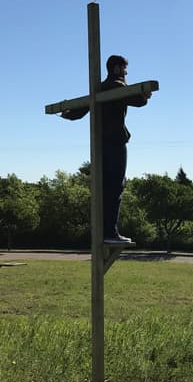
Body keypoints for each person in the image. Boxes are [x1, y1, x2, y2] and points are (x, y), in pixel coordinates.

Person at [60, 54, 151, 244]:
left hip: (99, 143)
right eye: (125, 68)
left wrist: (68, 113)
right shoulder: (118, 85)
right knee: (116, 187)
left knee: (103, 187)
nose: (126, 72)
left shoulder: (98, 88)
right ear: (117, 68)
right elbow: (138, 100)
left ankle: (102, 231)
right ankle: (110, 232)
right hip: (115, 142)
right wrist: (145, 94)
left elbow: (81, 109)